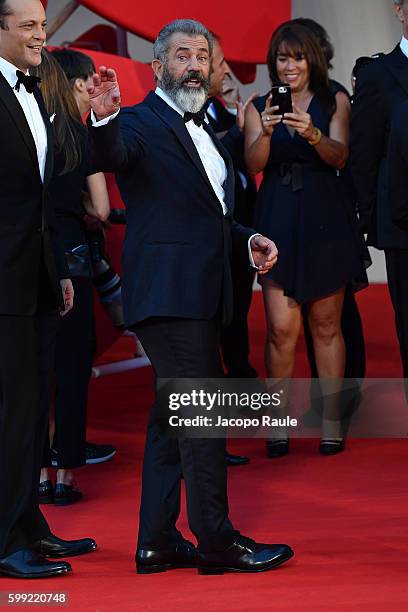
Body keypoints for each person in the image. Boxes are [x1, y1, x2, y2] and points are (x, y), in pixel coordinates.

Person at [88, 18, 294, 575]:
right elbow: (108, 153)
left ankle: (155, 540)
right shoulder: (136, 121)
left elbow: (210, 216)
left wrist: (246, 238)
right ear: (159, 66)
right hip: (169, 296)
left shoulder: (209, 130)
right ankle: (217, 541)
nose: (195, 64)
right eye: (182, 55)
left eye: (202, 54)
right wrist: (104, 114)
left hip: (203, 294)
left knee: (169, 418)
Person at [0, 0, 96, 579]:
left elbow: (51, 193)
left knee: (34, 405)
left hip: (37, 271)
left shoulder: (35, 91)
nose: (42, 35)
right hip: (2, 277)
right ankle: (6, 538)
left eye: (43, 23)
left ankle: (28, 525)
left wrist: (58, 267)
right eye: (29, 26)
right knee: (12, 408)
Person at [245, 23, 366, 456]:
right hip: (277, 216)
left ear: (312, 58)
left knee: (327, 325)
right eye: (281, 58)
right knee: (280, 329)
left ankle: (332, 422)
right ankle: (278, 425)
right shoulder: (258, 106)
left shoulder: (334, 98)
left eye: (296, 57)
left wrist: (312, 133)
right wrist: (267, 132)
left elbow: (341, 155)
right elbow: (254, 163)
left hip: (325, 216)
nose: (289, 65)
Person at [33, 49, 110, 506]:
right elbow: (101, 208)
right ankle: (65, 476)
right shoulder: (80, 138)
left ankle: (38, 473)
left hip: (34, 258)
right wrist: (81, 208)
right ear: (77, 83)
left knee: (39, 369)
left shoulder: (33, 130)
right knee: (72, 370)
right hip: (75, 262)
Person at [351, 0, 408, 397]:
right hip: (403, 225)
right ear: (400, 10)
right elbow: (364, 155)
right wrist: (372, 221)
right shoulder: (377, 74)